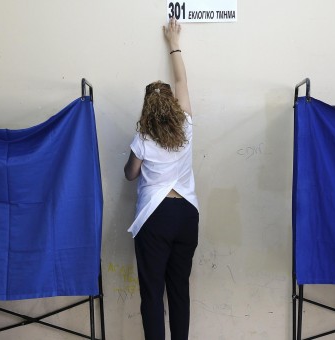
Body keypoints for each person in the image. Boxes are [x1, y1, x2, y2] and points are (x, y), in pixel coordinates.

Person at [124, 18, 199, 340]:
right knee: (179, 289)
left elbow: (130, 175)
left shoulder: (142, 139)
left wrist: (138, 159)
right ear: (172, 105)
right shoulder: (187, 126)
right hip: (187, 215)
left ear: (147, 109)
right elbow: (181, 80)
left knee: (152, 293)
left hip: (155, 218)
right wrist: (174, 42)